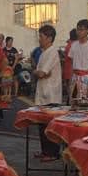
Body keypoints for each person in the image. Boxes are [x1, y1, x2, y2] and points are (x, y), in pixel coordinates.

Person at [33, 24, 62, 160]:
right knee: (42, 125)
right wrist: (37, 72)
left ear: (49, 38)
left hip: (51, 95)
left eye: (41, 36)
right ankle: (45, 151)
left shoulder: (52, 52)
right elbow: (40, 73)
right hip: (43, 94)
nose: (39, 39)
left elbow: (41, 73)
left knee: (50, 126)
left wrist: (36, 72)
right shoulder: (44, 52)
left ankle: (52, 153)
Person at [69, 19, 88, 103]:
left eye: (81, 29)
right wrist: (70, 80)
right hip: (75, 79)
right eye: (78, 29)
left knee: (87, 104)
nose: (79, 32)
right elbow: (72, 64)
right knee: (74, 103)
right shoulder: (74, 45)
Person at [63, 28, 77, 102]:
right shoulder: (74, 46)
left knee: (71, 92)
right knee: (74, 93)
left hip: (68, 71)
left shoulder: (69, 45)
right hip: (73, 72)